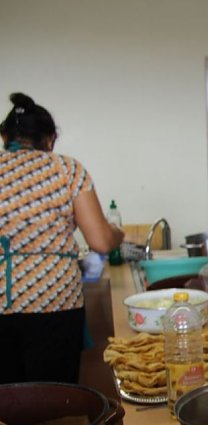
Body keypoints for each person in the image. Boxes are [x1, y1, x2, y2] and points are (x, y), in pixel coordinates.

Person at [0, 92, 124, 384]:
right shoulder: (67, 169)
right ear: (50, 139)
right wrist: (118, 232)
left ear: (5, 136)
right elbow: (101, 241)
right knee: (56, 396)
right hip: (55, 301)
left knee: (6, 398)